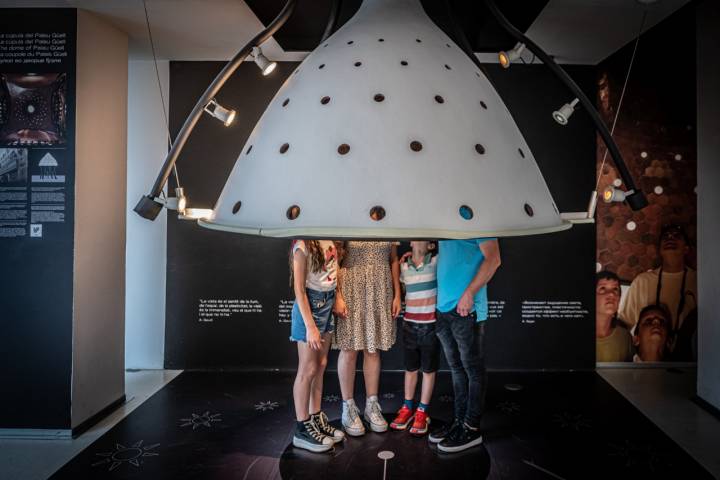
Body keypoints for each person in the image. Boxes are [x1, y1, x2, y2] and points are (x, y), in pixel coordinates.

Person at [429, 238, 501, 453]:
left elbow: (494, 259)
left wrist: (469, 293)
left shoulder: (479, 216)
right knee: (457, 369)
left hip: (466, 309)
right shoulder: (447, 219)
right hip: (444, 309)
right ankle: (459, 421)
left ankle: (471, 427)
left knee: (473, 371)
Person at [332, 241, 401, 436]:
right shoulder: (348, 217)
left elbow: (394, 259)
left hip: (380, 287)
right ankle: (348, 408)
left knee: (373, 349)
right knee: (349, 348)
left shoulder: (388, 219)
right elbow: (335, 257)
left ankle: (372, 407)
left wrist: (397, 294)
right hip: (351, 286)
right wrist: (337, 295)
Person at [289, 240, 345, 453]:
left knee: (320, 365)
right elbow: (299, 289)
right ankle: (301, 429)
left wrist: (338, 297)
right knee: (307, 370)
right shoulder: (302, 244)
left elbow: (334, 269)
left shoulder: (329, 236)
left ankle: (315, 418)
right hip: (310, 307)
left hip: (327, 302)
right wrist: (311, 326)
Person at [620, 224, 697, 355]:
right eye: (665, 237)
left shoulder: (699, 280)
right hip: (649, 359)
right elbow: (623, 325)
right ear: (659, 250)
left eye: (676, 236)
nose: (670, 238)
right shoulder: (642, 281)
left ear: (686, 249)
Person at [389, 241, 439, 436]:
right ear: (410, 242)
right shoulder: (403, 267)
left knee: (428, 370)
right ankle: (407, 407)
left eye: (424, 238)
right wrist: (405, 259)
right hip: (409, 325)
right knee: (410, 369)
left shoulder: (436, 262)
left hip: (430, 326)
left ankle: (422, 411)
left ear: (432, 246)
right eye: (416, 237)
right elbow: (400, 288)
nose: (419, 239)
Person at [595, 271, 634, 362]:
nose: (611, 294)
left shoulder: (625, 337)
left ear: (619, 299)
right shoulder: (576, 335)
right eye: (603, 288)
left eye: (615, 289)